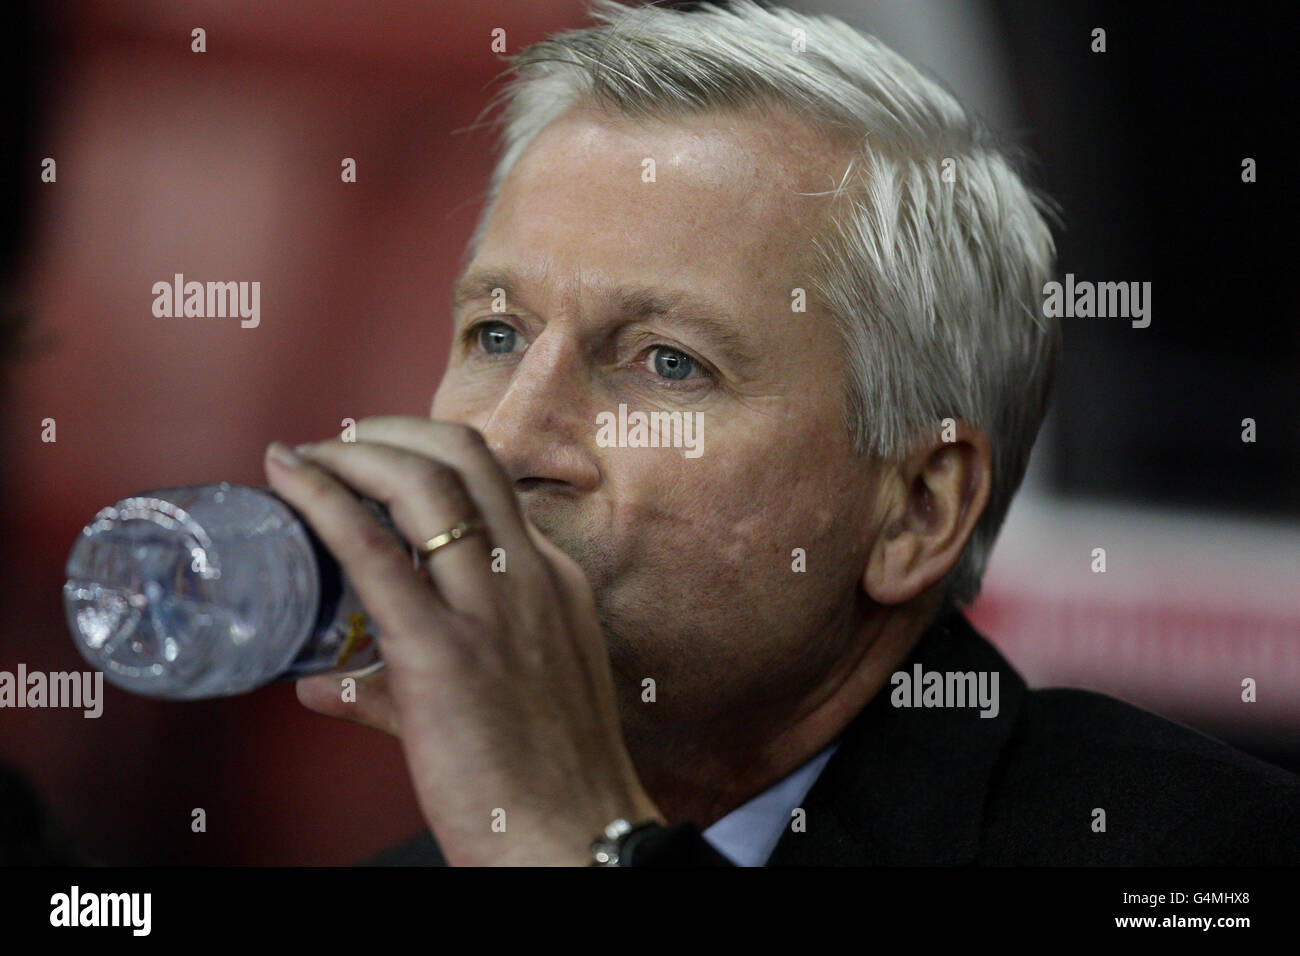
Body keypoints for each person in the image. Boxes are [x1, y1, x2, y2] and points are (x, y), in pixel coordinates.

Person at [260, 0, 1300, 865]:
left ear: (916, 509)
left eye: (667, 361)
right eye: (495, 332)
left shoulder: (1200, 852)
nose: (510, 438)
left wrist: (573, 846)